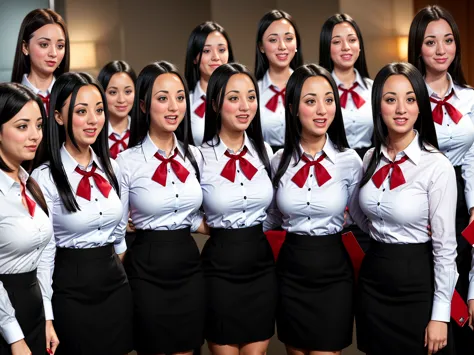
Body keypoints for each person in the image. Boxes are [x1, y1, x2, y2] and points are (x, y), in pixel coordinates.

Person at [356, 62, 457, 355]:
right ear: (378, 105)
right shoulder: (370, 157)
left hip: (416, 284)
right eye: (391, 99)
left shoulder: (437, 166)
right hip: (373, 281)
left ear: (420, 106)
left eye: (410, 99)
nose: (401, 108)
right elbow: (362, 217)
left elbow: (445, 248)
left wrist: (440, 314)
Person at [267, 63, 367, 355]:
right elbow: (271, 217)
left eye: (328, 100)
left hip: (334, 271)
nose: (322, 109)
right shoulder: (278, 161)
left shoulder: (349, 161)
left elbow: (361, 217)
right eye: (311, 101)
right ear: (294, 108)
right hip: (291, 270)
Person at [31, 72, 133, 355]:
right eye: (81, 111)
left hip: (115, 287)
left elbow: (118, 235)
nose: (93, 120)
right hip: (69, 290)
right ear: (59, 117)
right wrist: (48, 317)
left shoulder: (113, 167)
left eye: (99, 110)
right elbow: (44, 257)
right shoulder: (44, 178)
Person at [117, 61, 207, 355]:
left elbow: (196, 216)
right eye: (162, 98)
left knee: (186, 348)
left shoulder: (194, 156)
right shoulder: (126, 162)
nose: (173, 107)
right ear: (143, 105)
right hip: (145, 267)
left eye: (180, 97)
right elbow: (117, 228)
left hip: (188, 264)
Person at [409, 6, 474, 353]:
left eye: (447, 40)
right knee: (428, 315)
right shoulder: (405, 100)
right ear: (418, 47)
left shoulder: (470, 98)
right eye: (431, 42)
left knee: (462, 303)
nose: (440, 50)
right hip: (419, 208)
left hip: (462, 207)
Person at [199, 63, 276, 355]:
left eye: (251, 97)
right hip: (219, 269)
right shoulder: (199, 156)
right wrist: (212, 227)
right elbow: (181, 205)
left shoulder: (266, 152)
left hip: (260, 265)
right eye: (234, 98)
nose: (245, 106)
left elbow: (277, 208)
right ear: (216, 103)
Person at [0, 83, 59, 354]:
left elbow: (45, 254)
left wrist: (46, 316)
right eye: (22, 126)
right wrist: (14, 337)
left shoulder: (30, 183)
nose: (35, 135)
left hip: (34, 308)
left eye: (38, 125)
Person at [319, 13, 373, 159]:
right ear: (327, 47)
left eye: (352, 40)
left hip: (369, 162)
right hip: (330, 162)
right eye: (336, 42)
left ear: (359, 46)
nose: (346, 47)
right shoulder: (318, 91)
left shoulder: (374, 89)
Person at [255, 9, 303, 152]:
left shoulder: (310, 88)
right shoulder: (253, 92)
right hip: (265, 164)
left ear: (296, 44)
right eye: (273, 40)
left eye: (288, 39)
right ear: (261, 47)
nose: (282, 46)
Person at [184, 21, 234, 146]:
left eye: (221, 50)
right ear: (194, 57)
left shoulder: (245, 99)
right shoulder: (185, 103)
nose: (216, 57)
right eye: (206, 51)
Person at [11, 9, 69, 113]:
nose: (53, 53)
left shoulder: (72, 95)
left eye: (60, 46)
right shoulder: (8, 99)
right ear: (25, 47)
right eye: (44, 44)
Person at [98, 60, 136, 159]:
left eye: (128, 92)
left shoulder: (145, 132)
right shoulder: (93, 133)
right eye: (113, 92)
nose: (121, 100)